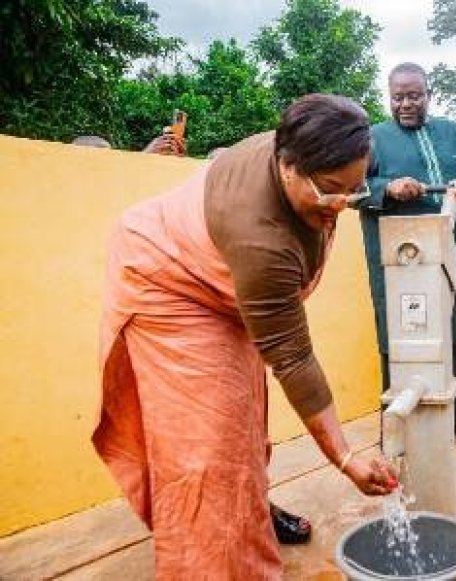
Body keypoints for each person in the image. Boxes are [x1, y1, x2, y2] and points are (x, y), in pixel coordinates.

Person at [93, 94, 397, 579]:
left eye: (353, 191)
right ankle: (216, 557)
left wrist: (332, 194)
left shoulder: (305, 149)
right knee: (209, 445)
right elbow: (294, 360)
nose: (341, 204)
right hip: (165, 283)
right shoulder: (261, 241)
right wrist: (345, 457)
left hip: (217, 276)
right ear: (288, 166)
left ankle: (250, 508)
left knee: (243, 414)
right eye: (330, 190)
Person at [353, 63, 456, 445]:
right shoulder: (371, 140)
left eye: (413, 95)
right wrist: (387, 187)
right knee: (401, 335)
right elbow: (352, 189)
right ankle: (398, 422)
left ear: (428, 94)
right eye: (397, 96)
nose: (405, 104)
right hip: (403, 262)